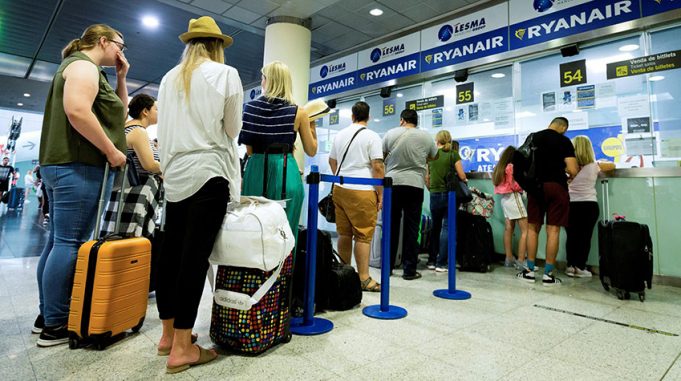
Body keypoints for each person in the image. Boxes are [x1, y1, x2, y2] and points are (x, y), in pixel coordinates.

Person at [156, 16, 242, 373]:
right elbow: (232, 129)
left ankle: (166, 337)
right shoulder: (226, 75)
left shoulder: (167, 78)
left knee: (171, 255)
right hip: (209, 173)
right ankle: (182, 349)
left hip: (174, 175)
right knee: (195, 260)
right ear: (217, 45)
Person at [34, 23, 129, 347]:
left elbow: (116, 112)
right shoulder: (82, 66)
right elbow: (77, 111)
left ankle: (48, 314)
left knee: (58, 242)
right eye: (120, 45)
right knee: (69, 243)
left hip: (63, 165)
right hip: (77, 165)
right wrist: (111, 150)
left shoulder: (84, 68)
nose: (122, 51)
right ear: (103, 41)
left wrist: (121, 77)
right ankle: (56, 324)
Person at [239, 61, 317, 241]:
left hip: (256, 171)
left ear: (268, 81)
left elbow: (250, 151)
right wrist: (312, 125)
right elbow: (311, 150)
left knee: (253, 227)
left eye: (262, 78)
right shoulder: (299, 112)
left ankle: (252, 268)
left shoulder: (250, 108)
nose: (261, 82)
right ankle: (283, 268)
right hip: (286, 171)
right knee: (285, 232)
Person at [329, 101, 384, 291]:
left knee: (344, 233)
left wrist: (342, 177)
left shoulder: (340, 135)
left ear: (352, 116)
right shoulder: (372, 136)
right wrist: (380, 194)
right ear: (368, 117)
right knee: (363, 236)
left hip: (340, 188)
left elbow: (332, 160)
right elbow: (377, 166)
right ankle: (363, 278)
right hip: (362, 190)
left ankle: (345, 275)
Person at [517, 117, 578, 285]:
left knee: (532, 229)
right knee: (553, 231)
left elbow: (521, 162)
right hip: (557, 187)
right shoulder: (564, 141)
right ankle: (548, 274)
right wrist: (569, 176)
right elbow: (573, 168)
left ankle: (529, 271)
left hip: (536, 187)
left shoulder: (533, 137)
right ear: (564, 127)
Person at [383, 109, 438, 280]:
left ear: (402, 120)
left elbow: (382, 156)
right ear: (416, 121)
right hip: (415, 184)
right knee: (412, 227)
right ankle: (409, 270)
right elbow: (434, 156)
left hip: (393, 184)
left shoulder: (390, 134)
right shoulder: (426, 137)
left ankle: (388, 267)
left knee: (391, 225)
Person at [100, 93, 162, 238]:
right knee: (131, 235)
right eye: (156, 109)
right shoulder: (138, 131)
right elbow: (149, 165)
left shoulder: (128, 128)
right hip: (136, 191)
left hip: (127, 190)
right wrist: (170, 167)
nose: (159, 113)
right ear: (145, 111)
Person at [565, 136, 615, 278]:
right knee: (584, 237)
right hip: (588, 205)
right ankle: (580, 266)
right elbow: (612, 166)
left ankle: (570, 266)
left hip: (570, 204)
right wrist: (600, 162)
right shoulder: (594, 166)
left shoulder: (567, 167)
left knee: (571, 237)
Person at [426, 130, 466, 272]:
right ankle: (441, 263)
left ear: (437, 140)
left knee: (435, 227)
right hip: (449, 195)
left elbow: (427, 177)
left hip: (434, 194)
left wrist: (431, 189)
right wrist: (465, 180)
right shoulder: (453, 154)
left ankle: (431, 260)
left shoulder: (431, 156)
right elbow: (461, 175)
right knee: (447, 227)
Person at [492, 146, 528, 269]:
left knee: (508, 229)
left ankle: (509, 258)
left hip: (505, 199)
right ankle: (521, 261)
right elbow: (516, 185)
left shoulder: (499, 168)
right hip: (514, 197)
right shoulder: (511, 167)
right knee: (526, 230)